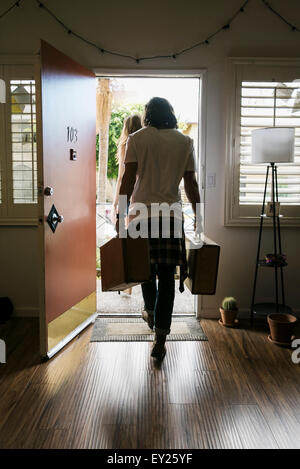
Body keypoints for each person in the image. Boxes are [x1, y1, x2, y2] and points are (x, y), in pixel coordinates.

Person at [117, 97, 201, 361]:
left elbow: (128, 179)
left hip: (141, 215)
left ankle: (151, 315)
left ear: (148, 115)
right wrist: (200, 216)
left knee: (145, 271)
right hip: (171, 218)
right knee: (166, 278)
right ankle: (161, 338)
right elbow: (191, 184)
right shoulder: (185, 141)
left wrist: (120, 216)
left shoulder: (137, 139)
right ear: (171, 114)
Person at [111, 114, 142, 225]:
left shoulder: (125, 145)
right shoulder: (145, 144)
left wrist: (116, 203)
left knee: (128, 233)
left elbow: (121, 178)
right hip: (142, 195)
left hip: (129, 195)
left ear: (126, 128)